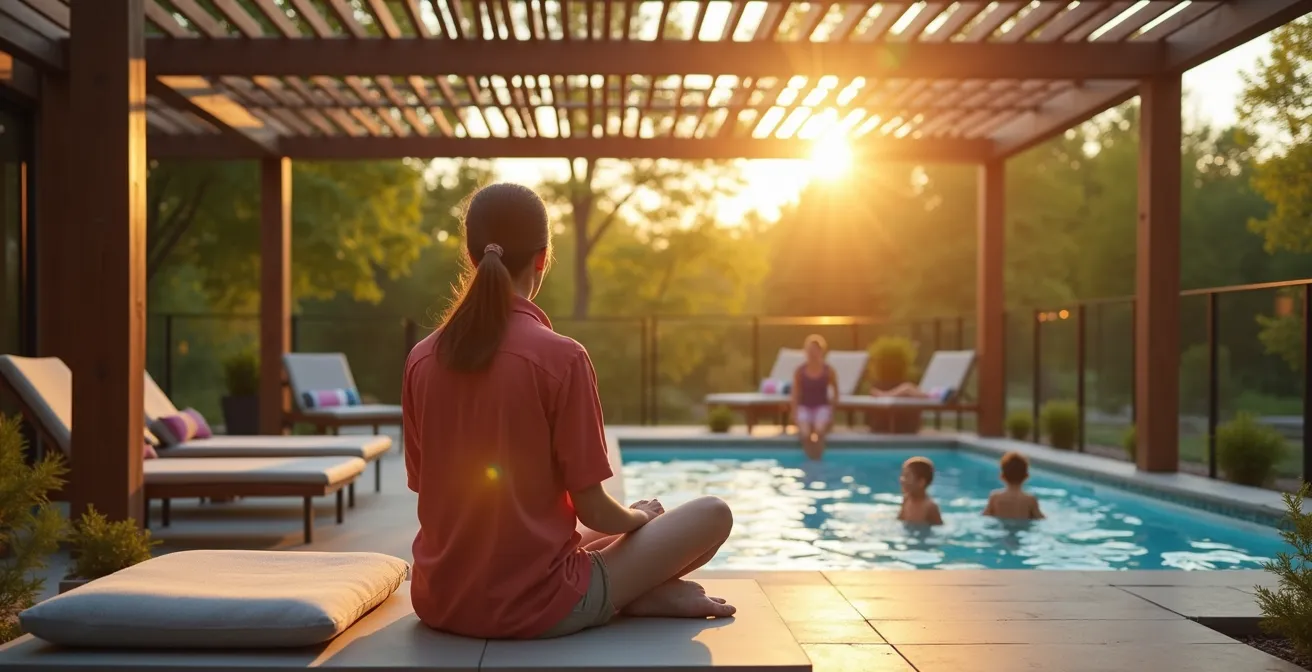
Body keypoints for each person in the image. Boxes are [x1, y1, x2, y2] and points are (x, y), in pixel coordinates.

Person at [402, 183, 735, 641]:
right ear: (542, 257)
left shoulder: (421, 358)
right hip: (537, 606)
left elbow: (429, 490)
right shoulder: (561, 358)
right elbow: (594, 509)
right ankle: (636, 596)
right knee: (712, 514)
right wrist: (639, 521)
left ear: (471, 255)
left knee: (601, 534)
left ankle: (635, 594)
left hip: (439, 600)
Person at [791, 334, 841, 460]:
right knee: (805, 433)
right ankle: (810, 458)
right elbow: (795, 394)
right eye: (809, 350)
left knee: (819, 431)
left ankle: (818, 458)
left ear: (821, 351)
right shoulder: (800, 371)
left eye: (815, 350)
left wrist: (832, 413)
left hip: (821, 406)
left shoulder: (828, 370)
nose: (812, 354)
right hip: (804, 407)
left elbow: (836, 392)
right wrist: (794, 413)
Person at [983, 451, 1044, 520]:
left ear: (1002, 476)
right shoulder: (1030, 499)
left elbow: (985, 516)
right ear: (1026, 476)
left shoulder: (995, 497)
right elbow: (1040, 518)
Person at [897, 456, 943, 525]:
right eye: (903, 475)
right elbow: (899, 520)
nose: (902, 480)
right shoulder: (906, 499)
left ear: (921, 482)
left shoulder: (930, 507)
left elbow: (940, 529)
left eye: (907, 476)